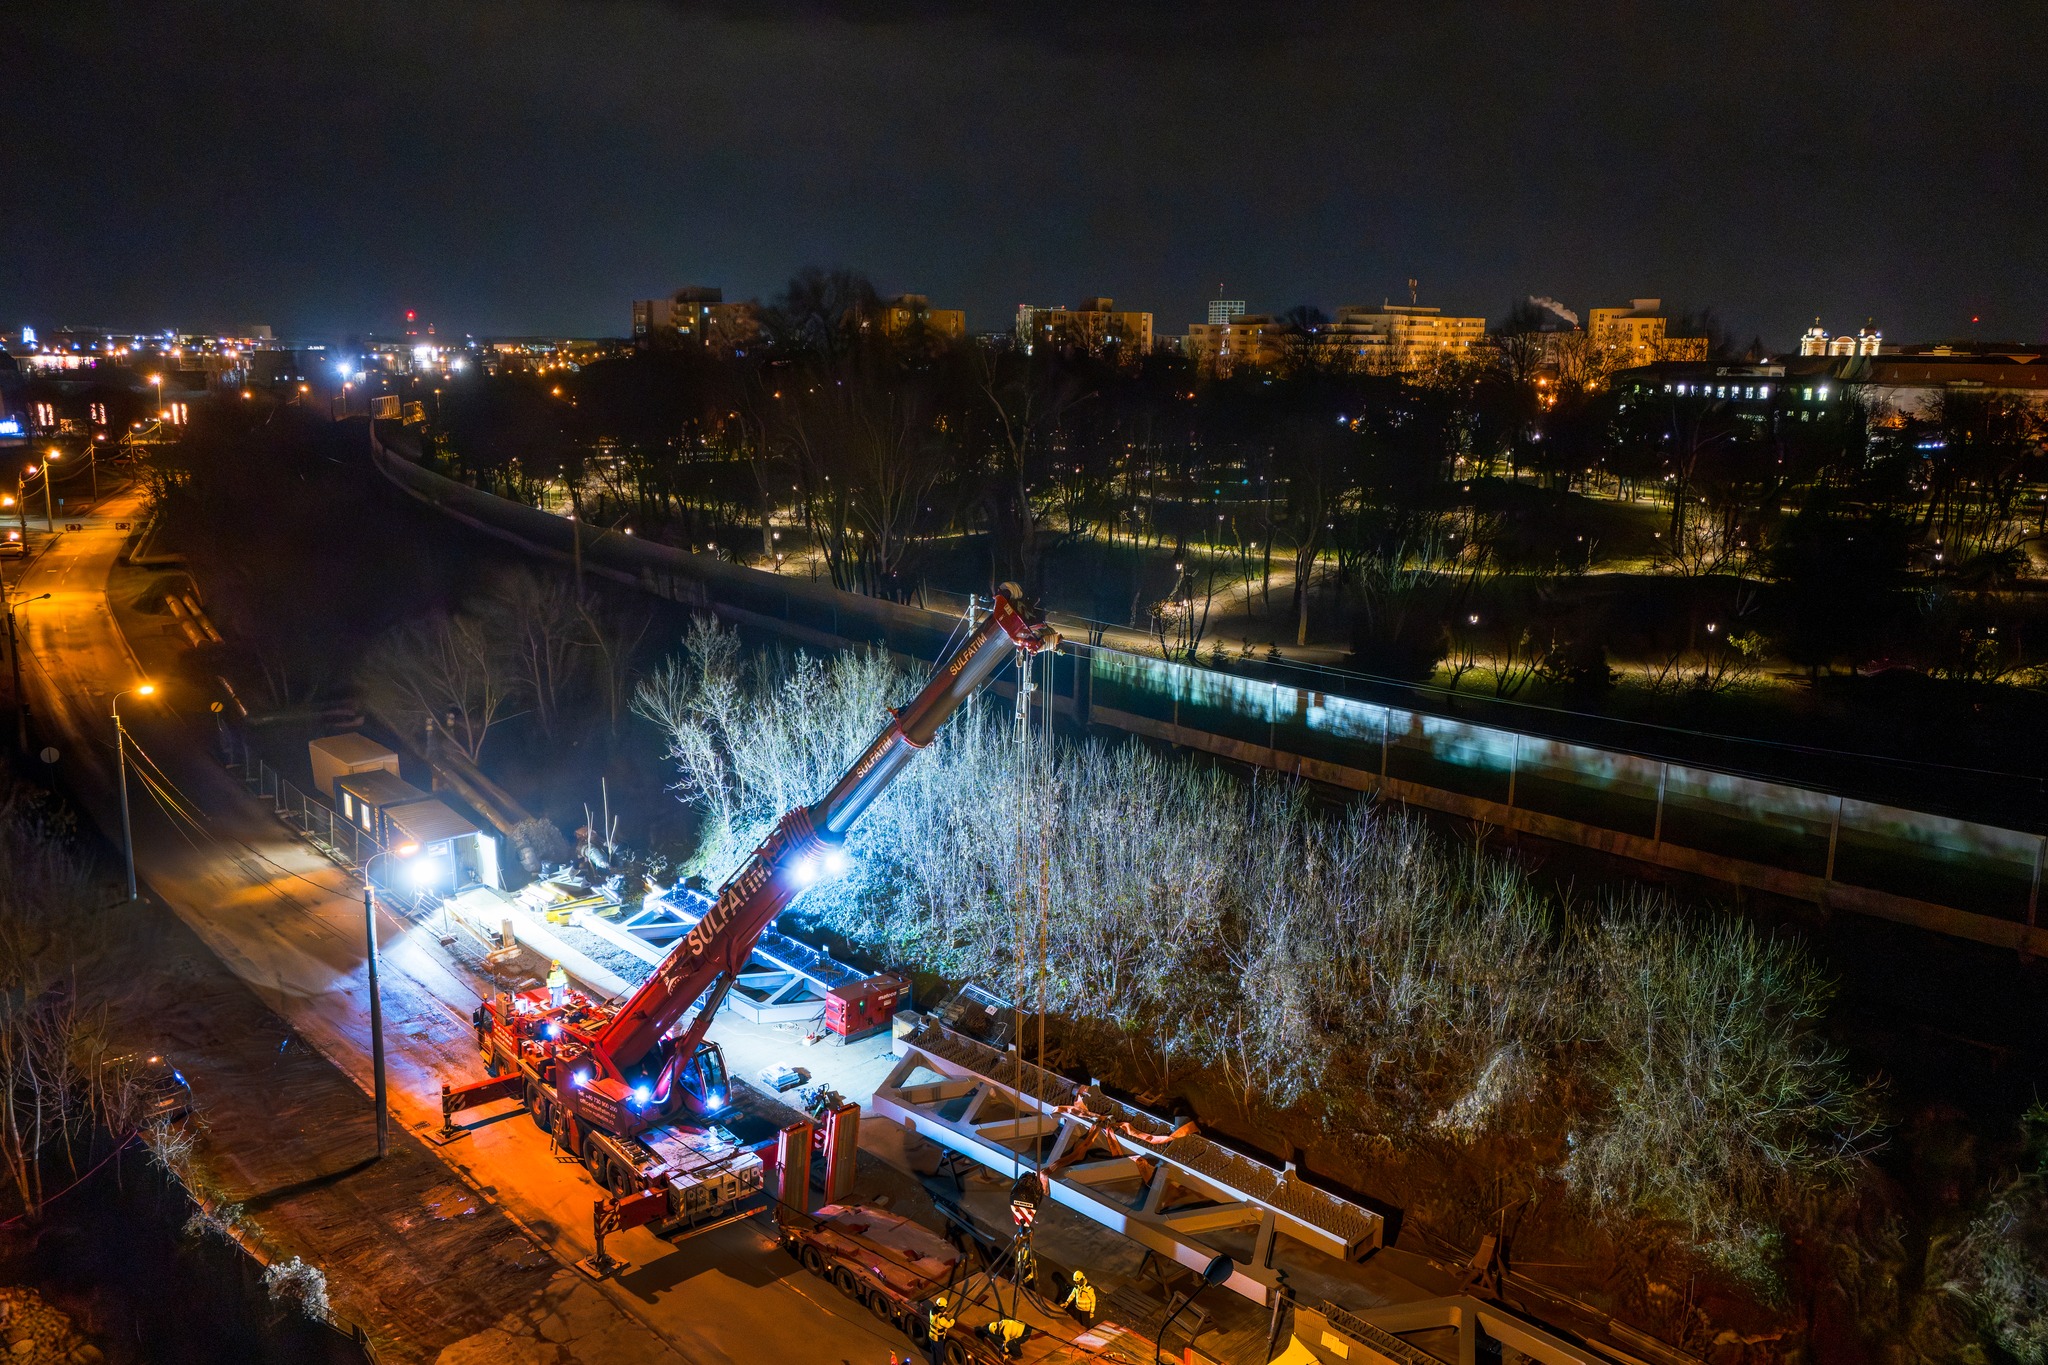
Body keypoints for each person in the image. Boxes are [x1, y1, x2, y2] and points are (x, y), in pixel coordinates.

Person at [925, 1294, 955, 1365]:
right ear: (942, 1307)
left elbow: (937, 1317)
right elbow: (948, 1324)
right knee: (939, 1354)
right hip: (937, 1338)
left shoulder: (932, 1310)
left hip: (931, 1335)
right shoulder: (941, 1319)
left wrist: (943, 1314)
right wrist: (953, 1320)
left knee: (934, 1351)